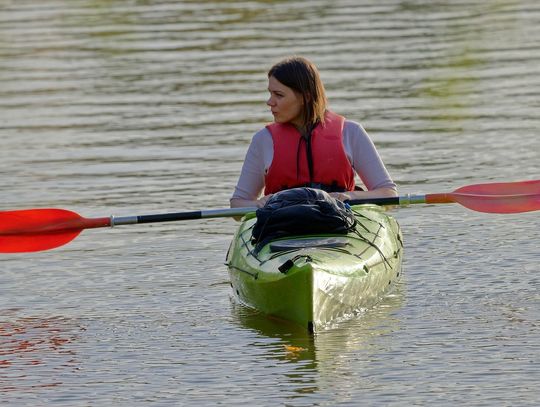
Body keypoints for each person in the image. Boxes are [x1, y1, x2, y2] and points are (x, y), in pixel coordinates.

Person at [230, 56, 397, 209]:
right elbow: (238, 205)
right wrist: (259, 204)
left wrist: (349, 195)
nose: (269, 102)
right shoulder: (263, 140)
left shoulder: (351, 132)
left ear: (306, 97)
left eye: (278, 95)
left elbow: (388, 193)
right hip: (280, 225)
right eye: (270, 93)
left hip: (340, 221)